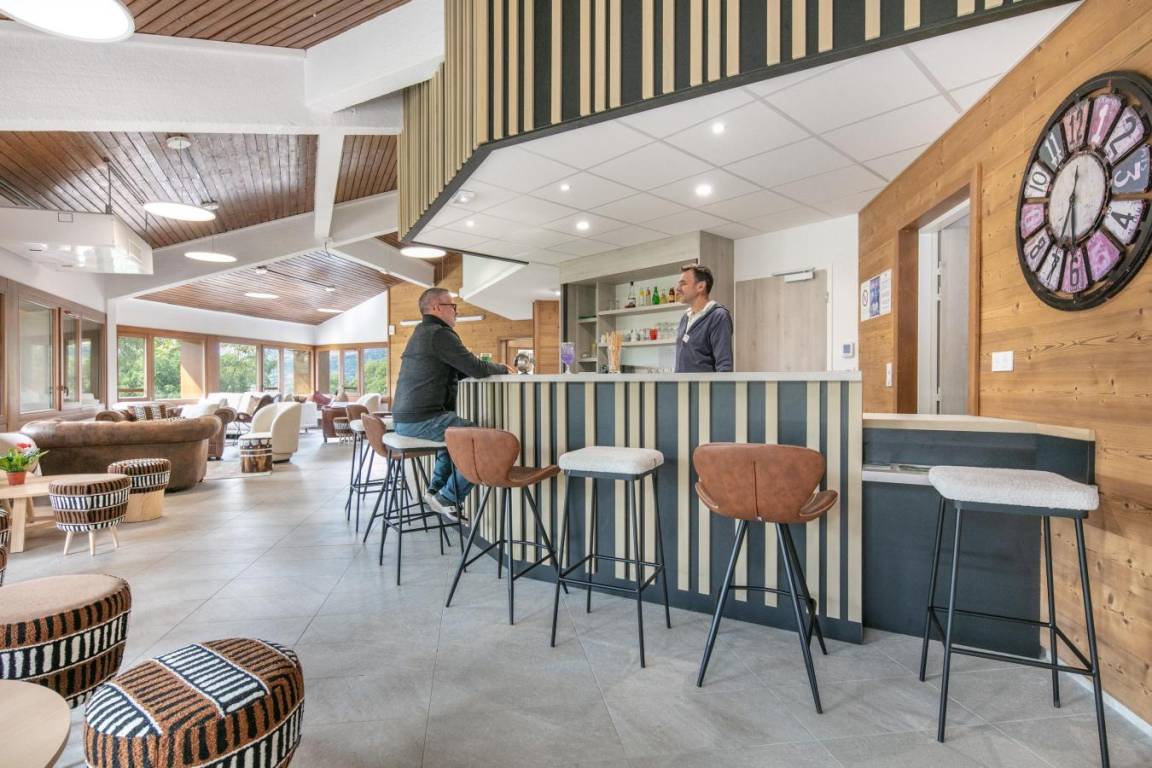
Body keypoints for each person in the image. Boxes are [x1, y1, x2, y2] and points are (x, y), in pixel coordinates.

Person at [391, 287, 512, 519]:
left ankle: (435, 492)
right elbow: (477, 368)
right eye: (452, 306)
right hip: (422, 419)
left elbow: (460, 369)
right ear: (437, 307)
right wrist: (504, 369)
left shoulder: (422, 332)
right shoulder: (439, 334)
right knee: (483, 441)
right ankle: (447, 497)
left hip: (406, 419)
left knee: (453, 439)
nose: (456, 311)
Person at [673, 263, 733, 373]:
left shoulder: (718, 316)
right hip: (683, 385)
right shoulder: (685, 317)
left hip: (705, 385)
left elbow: (724, 367)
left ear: (701, 286)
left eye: (683, 284)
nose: (677, 288)